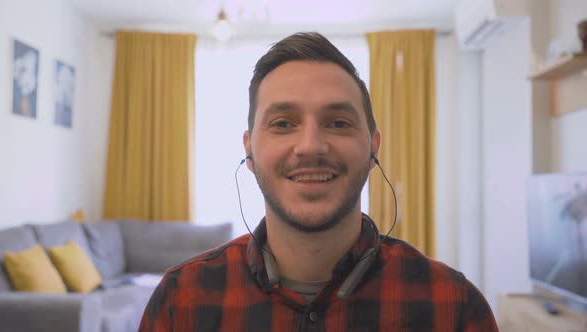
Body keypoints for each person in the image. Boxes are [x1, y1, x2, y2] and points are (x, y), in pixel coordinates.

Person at [139, 32, 498, 331]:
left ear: (373, 147)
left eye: (338, 122)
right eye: (282, 123)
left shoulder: (454, 307)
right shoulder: (181, 300)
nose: (310, 146)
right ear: (249, 151)